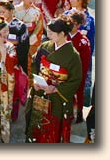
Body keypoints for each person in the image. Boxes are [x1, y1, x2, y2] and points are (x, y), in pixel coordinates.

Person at [25, 15, 82, 143]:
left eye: (52, 32)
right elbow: (35, 63)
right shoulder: (45, 45)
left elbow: (75, 80)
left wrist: (56, 89)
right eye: (48, 31)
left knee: (52, 127)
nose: (48, 34)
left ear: (62, 33)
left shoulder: (73, 55)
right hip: (40, 91)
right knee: (36, 122)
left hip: (57, 97)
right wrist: (34, 80)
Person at [0, 0, 30, 121]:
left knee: (14, 88)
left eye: (4, 11)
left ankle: (13, 114)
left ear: (11, 11)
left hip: (15, 62)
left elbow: (24, 45)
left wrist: (16, 61)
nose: (1, 14)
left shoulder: (20, 26)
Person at [65, 0, 94, 106]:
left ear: (81, 0)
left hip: (81, 57)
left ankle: (79, 109)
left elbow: (91, 42)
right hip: (65, 56)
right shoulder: (66, 14)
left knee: (80, 83)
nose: (70, 0)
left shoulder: (89, 20)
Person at [67, 10, 91, 124]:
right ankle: (68, 113)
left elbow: (85, 61)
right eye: (70, 22)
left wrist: (80, 74)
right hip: (64, 70)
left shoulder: (83, 40)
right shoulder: (64, 36)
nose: (72, 25)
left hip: (77, 71)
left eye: (75, 23)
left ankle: (79, 113)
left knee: (78, 92)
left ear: (79, 24)